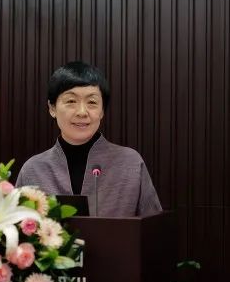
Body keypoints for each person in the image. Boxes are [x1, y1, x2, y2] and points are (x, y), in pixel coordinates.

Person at [16, 61, 162, 217]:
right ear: (52, 108)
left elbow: (154, 227)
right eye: (71, 101)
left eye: (92, 102)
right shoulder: (33, 169)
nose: (82, 112)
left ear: (102, 111)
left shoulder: (130, 163)